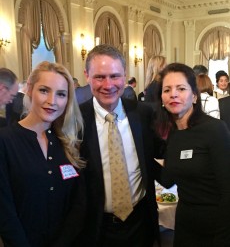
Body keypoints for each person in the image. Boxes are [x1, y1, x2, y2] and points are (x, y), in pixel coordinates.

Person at [79, 44, 163, 247]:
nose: (108, 85)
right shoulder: (75, 121)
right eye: (100, 77)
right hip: (97, 229)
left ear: (125, 76)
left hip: (141, 223)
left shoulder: (144, 114)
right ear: (87, 76)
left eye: (115, 76)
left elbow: (164, 152)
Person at [0, 61, 86, 247]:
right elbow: (5, 212)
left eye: (61, 94)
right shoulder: (5, 141)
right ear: (30, 90)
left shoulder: (68, 143)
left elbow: (78, 204)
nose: (52, 101)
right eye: (44, 90)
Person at [154, 63, 230, 247]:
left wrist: (223, 239)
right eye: (167, 89)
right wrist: (141, 153)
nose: (173, 94)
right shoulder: (172, 133)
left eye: (181, 88)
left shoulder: (214, 129)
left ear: (194, 96)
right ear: (162, 98)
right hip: (185, 227)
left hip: (215, 228)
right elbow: (168, 179)